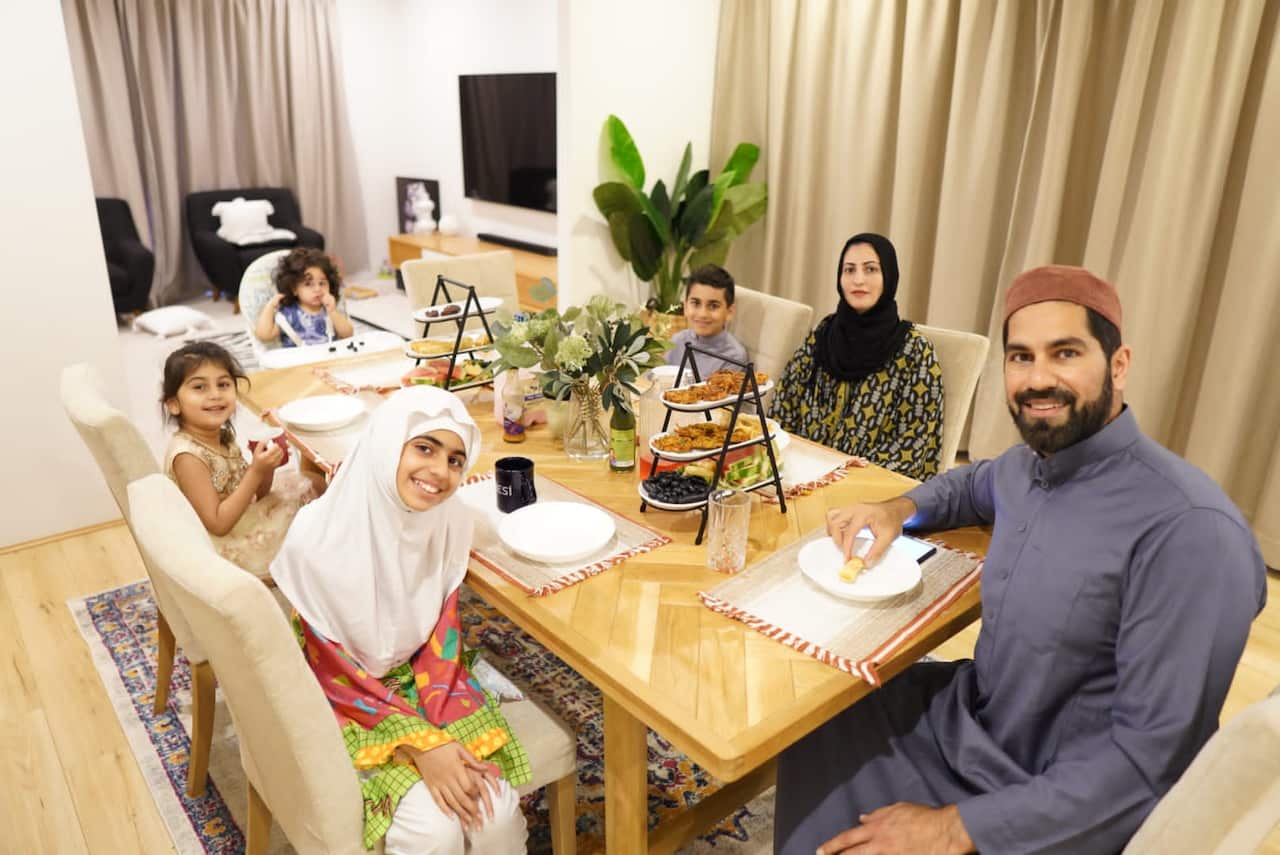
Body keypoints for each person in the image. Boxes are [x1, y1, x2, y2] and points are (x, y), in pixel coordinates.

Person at [774, 265, 1267, 855]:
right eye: (1020, 356)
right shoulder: (1031, 465)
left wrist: (955, 828)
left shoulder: (1191, 533)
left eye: (1064, 353)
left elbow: (1149, 765)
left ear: (1118, 364)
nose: (1038, 378)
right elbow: (972, 485)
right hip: (976, 720)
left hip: (1048, 796)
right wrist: (896, 507)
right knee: (810, 714)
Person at [271, 386, 530, 854]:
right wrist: (421, 745)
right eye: (424, 448)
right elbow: (331, 670)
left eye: (455, 459)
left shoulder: (448, 522)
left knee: (494, 812)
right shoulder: (317, 537)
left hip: (422, 680)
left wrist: (438, 734)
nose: (440, 472)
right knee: (436, 830)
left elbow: (441, 638)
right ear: (388, 442)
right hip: (341, 696)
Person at [772, 233, 944, 480]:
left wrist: (844, 473)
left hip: (870, 489)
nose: (858, 280)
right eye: (849, 270)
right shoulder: (823, 336)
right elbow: (783, 406)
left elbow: (913, 446)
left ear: (889, 276)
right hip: (803, 476)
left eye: (871, 269)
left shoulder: (915, 352)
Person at [161, 342, 317, 577]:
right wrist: (255, 472)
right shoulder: (188, 457)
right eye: (199, 387)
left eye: (223, 384)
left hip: (240, 514)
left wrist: (265, 468)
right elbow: (218, 524)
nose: (215, 394)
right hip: (222, 547)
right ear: (173, 404)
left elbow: (257, 494)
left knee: (313, 481)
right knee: (311, 517)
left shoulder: (220, 437)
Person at [254, 247, 354, 347]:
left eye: (322, 283)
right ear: (294, 289)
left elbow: (348, 334)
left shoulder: (329, 309)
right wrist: (270, 307)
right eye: (308, 284)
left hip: (329, 359)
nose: (317, 289)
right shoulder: (289, 313)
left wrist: (332, 312)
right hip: (299, 361)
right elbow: (264, 335)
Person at [664, 264, 750, 379]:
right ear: (685, 307)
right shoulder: (677, 340)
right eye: (696, 303)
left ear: (729, 312)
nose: (703, 314)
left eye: (713, 306)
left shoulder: (734, 357)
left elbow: (716, 396)